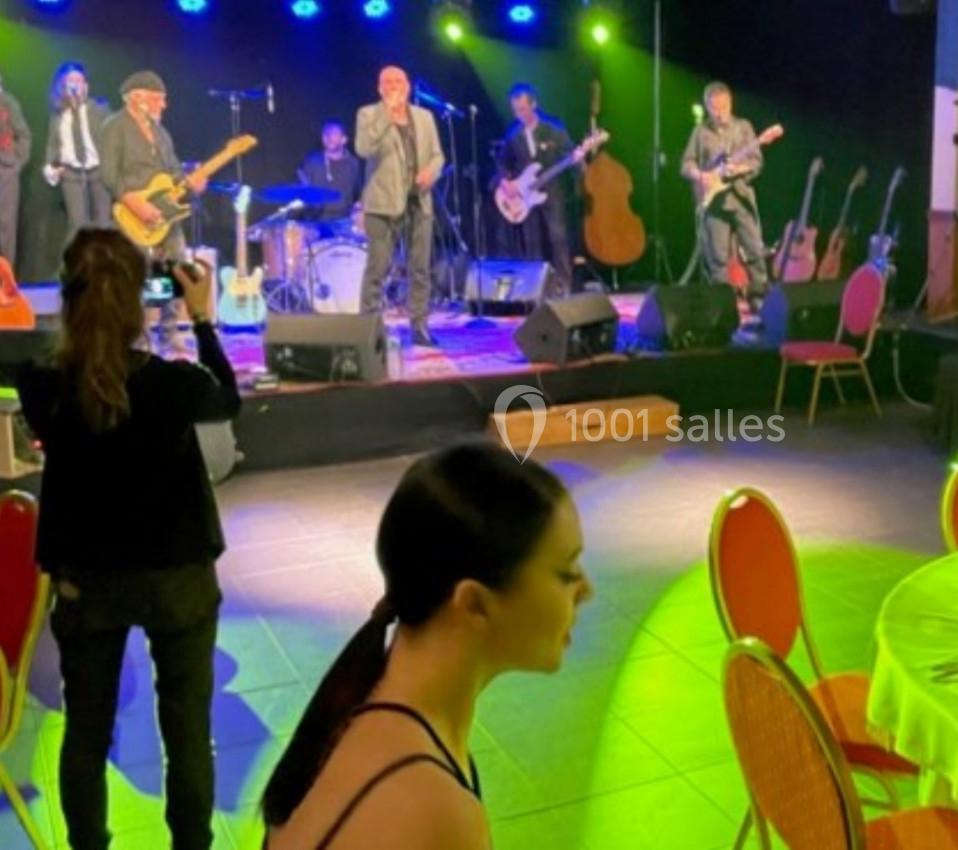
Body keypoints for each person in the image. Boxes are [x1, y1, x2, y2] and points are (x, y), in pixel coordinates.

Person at [16, 228, 241, 850]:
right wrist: (202, 319)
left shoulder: (41, 386)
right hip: (179, 577)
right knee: (188, 733)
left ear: (68, 299)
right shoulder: (176, 386)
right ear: (142, 302)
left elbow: (67, 376)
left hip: (87, 581)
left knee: (85, 734)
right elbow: (227, 399)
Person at [261, 443, 592, 849]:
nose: (586, 591)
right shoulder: (435, 809)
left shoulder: (358, 711)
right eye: (567, 573)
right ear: (474, 604)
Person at [99, 70, 208, 350]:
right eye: (158, 98)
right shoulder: (114, 126)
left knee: (176, 268)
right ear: (137, 98)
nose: (164, 104)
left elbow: (172, 171)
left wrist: (190, 182)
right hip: (131, 214)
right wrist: (135, 203)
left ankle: (169, 331)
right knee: (136, 275)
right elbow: (108, 174)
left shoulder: (161, 133)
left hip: (166, 214)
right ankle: (136, 336)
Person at [355, 66, 443, 348]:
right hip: (382, 204)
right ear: (380, 88)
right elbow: (364, 148)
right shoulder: (368, 114)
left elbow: (438, 156)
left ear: (408, 85)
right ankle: (369, 329)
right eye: (388, 82)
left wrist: (431, 172)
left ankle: (420, 326)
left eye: (399, 81)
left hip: (419, 200)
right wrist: (386, 114)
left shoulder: (425, 117)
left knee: (420, 268)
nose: (394, 86)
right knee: (377, 269)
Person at [680, 81, 769, 310]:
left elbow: (756, 162)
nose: (720, 113)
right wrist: (700, 175)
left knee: (754, 249)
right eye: (714, 108)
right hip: (714, 203)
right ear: (707, 107)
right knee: (716, 257)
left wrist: (739, 169)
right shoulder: (700, 133)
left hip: (740, 199)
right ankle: (723, 303)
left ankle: (758, 295)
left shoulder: (744, 128)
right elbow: (686, 164)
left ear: (731, 103)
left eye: (724, 107)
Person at [497, 83, 581, 298]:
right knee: (531, 241)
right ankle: (533, 290)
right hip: (525, 196)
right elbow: (503, 163)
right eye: (516, 110)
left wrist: (577, 160)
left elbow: (570, 154)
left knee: (558, 237)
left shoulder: (554, 129)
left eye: (523, 109)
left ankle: (564, 287)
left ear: (534, 104)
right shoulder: (513, 135)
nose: (520, 114)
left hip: (552, 190)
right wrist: (506, 181)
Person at [43, 62, 113, 239]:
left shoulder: (99, 110)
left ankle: (103, 264)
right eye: (70, 80)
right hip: (71, 174)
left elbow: (113, 138)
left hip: (98, 171)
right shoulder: (59, 115)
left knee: (103, 223)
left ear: (86, 86)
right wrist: (51, 167)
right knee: (77, 225)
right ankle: (78, 264)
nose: (75, 84)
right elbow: (53, 145)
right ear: (63, 86)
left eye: (79, 80)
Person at [297, 119, 363, 229]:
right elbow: (304, 191)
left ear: (344, 139)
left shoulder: (353, 164)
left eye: (334, 134)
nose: (329, 137)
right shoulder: (312, 162)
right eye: (326, 133)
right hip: (317, 222)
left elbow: (359, 194)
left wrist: (358, 209)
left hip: (344, 222)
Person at [0, 73, 31, 264]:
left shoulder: (9, 103)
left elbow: (23, 134)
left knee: (5, 224)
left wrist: (17, 161)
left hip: (6, 169)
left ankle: (5, 279)